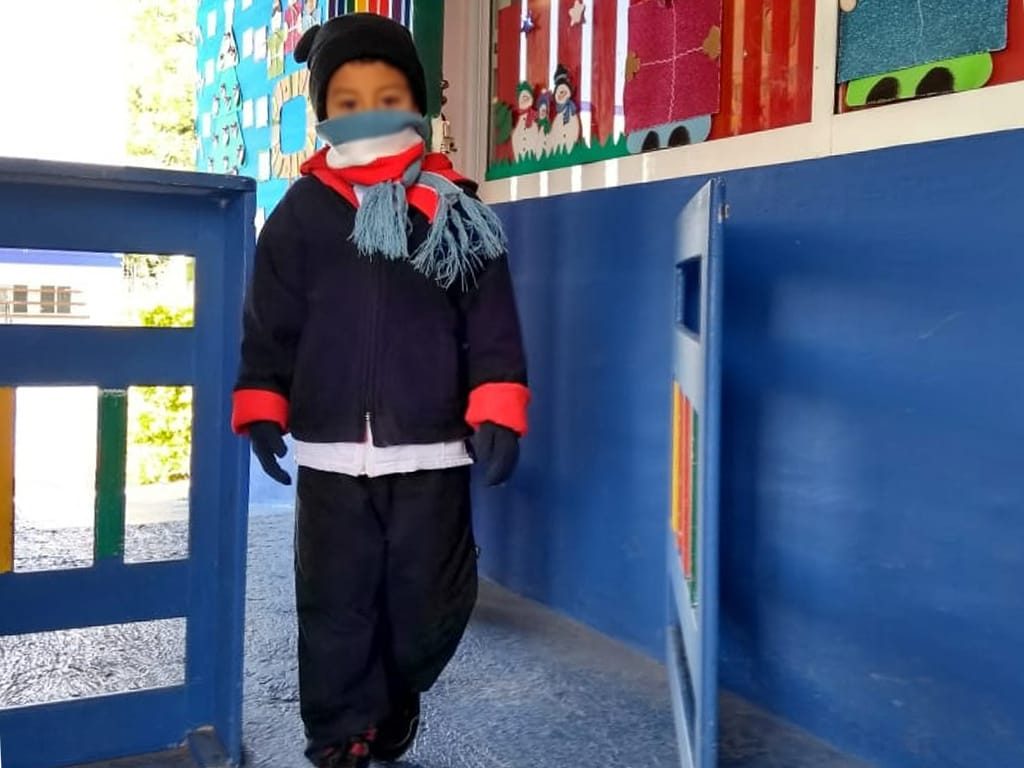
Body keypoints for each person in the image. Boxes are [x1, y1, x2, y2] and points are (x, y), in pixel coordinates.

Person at [230, 13, 530, 768]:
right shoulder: (301, 214)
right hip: (332, 449)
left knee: (430, 599)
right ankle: (342, 730)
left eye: (387, 95)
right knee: (334, 599)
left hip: (432, 446)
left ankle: (396, 693)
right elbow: (270, 320)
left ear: (416, 103)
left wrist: (498, 405)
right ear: (325, 112)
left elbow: (491, 321)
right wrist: (262, 401)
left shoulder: (456, 208)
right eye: (348, 99)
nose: (368, 112)